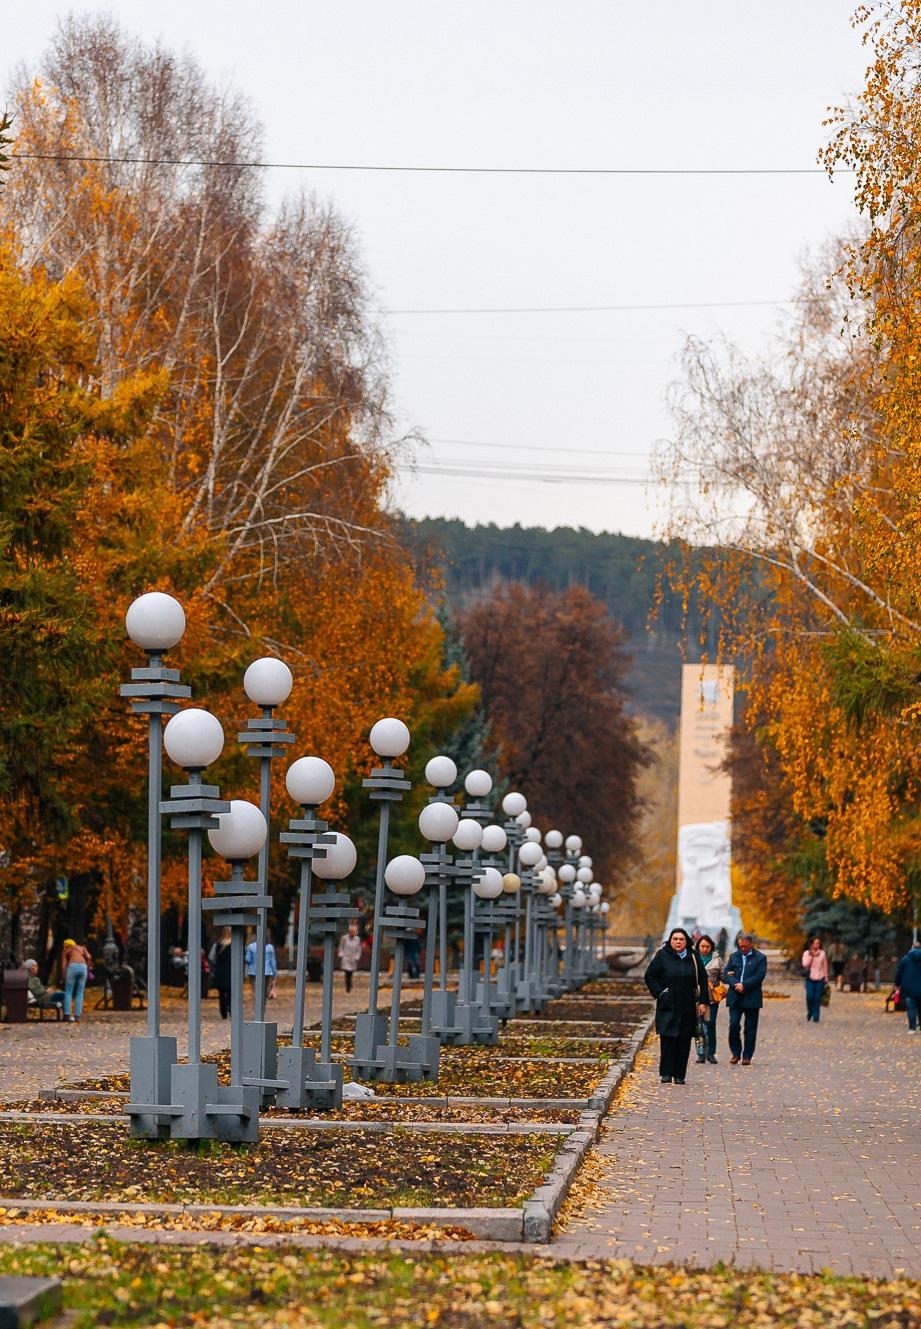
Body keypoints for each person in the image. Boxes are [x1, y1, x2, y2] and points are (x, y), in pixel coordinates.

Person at [644, 927, 710, 1084]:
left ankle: (679, 1074)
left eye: (681, 939)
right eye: (675, 939)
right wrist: (660, 992)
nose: (678, 942)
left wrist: (703, 1002)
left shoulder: (693, 956)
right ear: (670, 940)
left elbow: (702, 979)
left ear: (686, 941)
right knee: (668, 1039)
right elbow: (650, 975)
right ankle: (666, 1073)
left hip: (687, 1004)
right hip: (668, 1004)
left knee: (684, 1039)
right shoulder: (663, 955)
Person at [724, 931, 767, 1064]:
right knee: (734, 1025)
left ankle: (747, 1055)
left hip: (752, 997)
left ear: (751, 944)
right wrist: (735, 984)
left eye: (745, 946)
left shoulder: (760, 958)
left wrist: (745, 985)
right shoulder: (734, 957)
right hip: (735, 996)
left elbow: (759, 976)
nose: (743, 949)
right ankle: (735, 1052)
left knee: (750, 1028)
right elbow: (726, 973)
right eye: (741, 946)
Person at [694, 934, 723, 1064]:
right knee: (698, 1026)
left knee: (710, 1025)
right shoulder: (693, 958)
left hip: (712, 998)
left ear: (711, 947)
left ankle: (711, 1053)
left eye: (707, 946)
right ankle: (700, 1054)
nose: (705, 949)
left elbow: (722, 975)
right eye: (702, 946)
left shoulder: (717, 959)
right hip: (696, 997)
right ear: (698, 946)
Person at [61, 938, 92, 1023]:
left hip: (73, 967)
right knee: (80, 992)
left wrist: (64, 976)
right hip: (83, 967)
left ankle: (67, 1014)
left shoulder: (66, 950)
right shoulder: (81, 948)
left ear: (66, 945)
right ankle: (77, 1016)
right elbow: (89, 957)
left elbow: (64, 965)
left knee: (69, 991)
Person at [894, 938, 921, 1033]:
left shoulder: (905, 959)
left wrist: (897, 984)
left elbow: (899, 973)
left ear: (912, 948)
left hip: (909, 989)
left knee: (911, 1008)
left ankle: (912, 1028)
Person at [802, 935, 829, 1022]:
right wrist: (811, 956)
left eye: (818, 943)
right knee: (810, 997)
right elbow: (805, 964)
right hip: (810, 978)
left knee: (817, 998)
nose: (817, 944)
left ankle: (816, 1016)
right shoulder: (806, 953)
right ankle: (810, 1012)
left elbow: (825, 965)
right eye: (816, 943)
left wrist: (826, 977)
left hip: (820, 978)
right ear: (811, 944)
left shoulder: (822, 953)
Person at [244, 932, 278, 1004]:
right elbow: (273, 962)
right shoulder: (270, 947)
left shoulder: (250, 946)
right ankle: (263, 1009)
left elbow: (248, 959)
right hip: (267, 972)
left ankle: (256, 1009)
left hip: (253, 972)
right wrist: (275, 974)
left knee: (255, 991)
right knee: (265, 992)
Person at [209, 927, 233, 1019]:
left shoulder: (217, 944)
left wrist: (217, 964)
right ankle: (230, 1007)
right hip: (231, 972)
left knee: (221, 993)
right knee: (231, 992)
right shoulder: (235, 944)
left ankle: (223, 1012)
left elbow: (211, 957)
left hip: (220, 972)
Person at [337, 920, 363, 993]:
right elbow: (341, 947)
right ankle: (347, 986)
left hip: (353, 958)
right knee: (347, 972)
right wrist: (341, 954)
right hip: (346, 957)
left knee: (350, 972)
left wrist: (357, 956)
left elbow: (359, 949)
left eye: (353, 931)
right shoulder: (344, 938)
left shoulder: (357, 939)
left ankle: (349, 983)